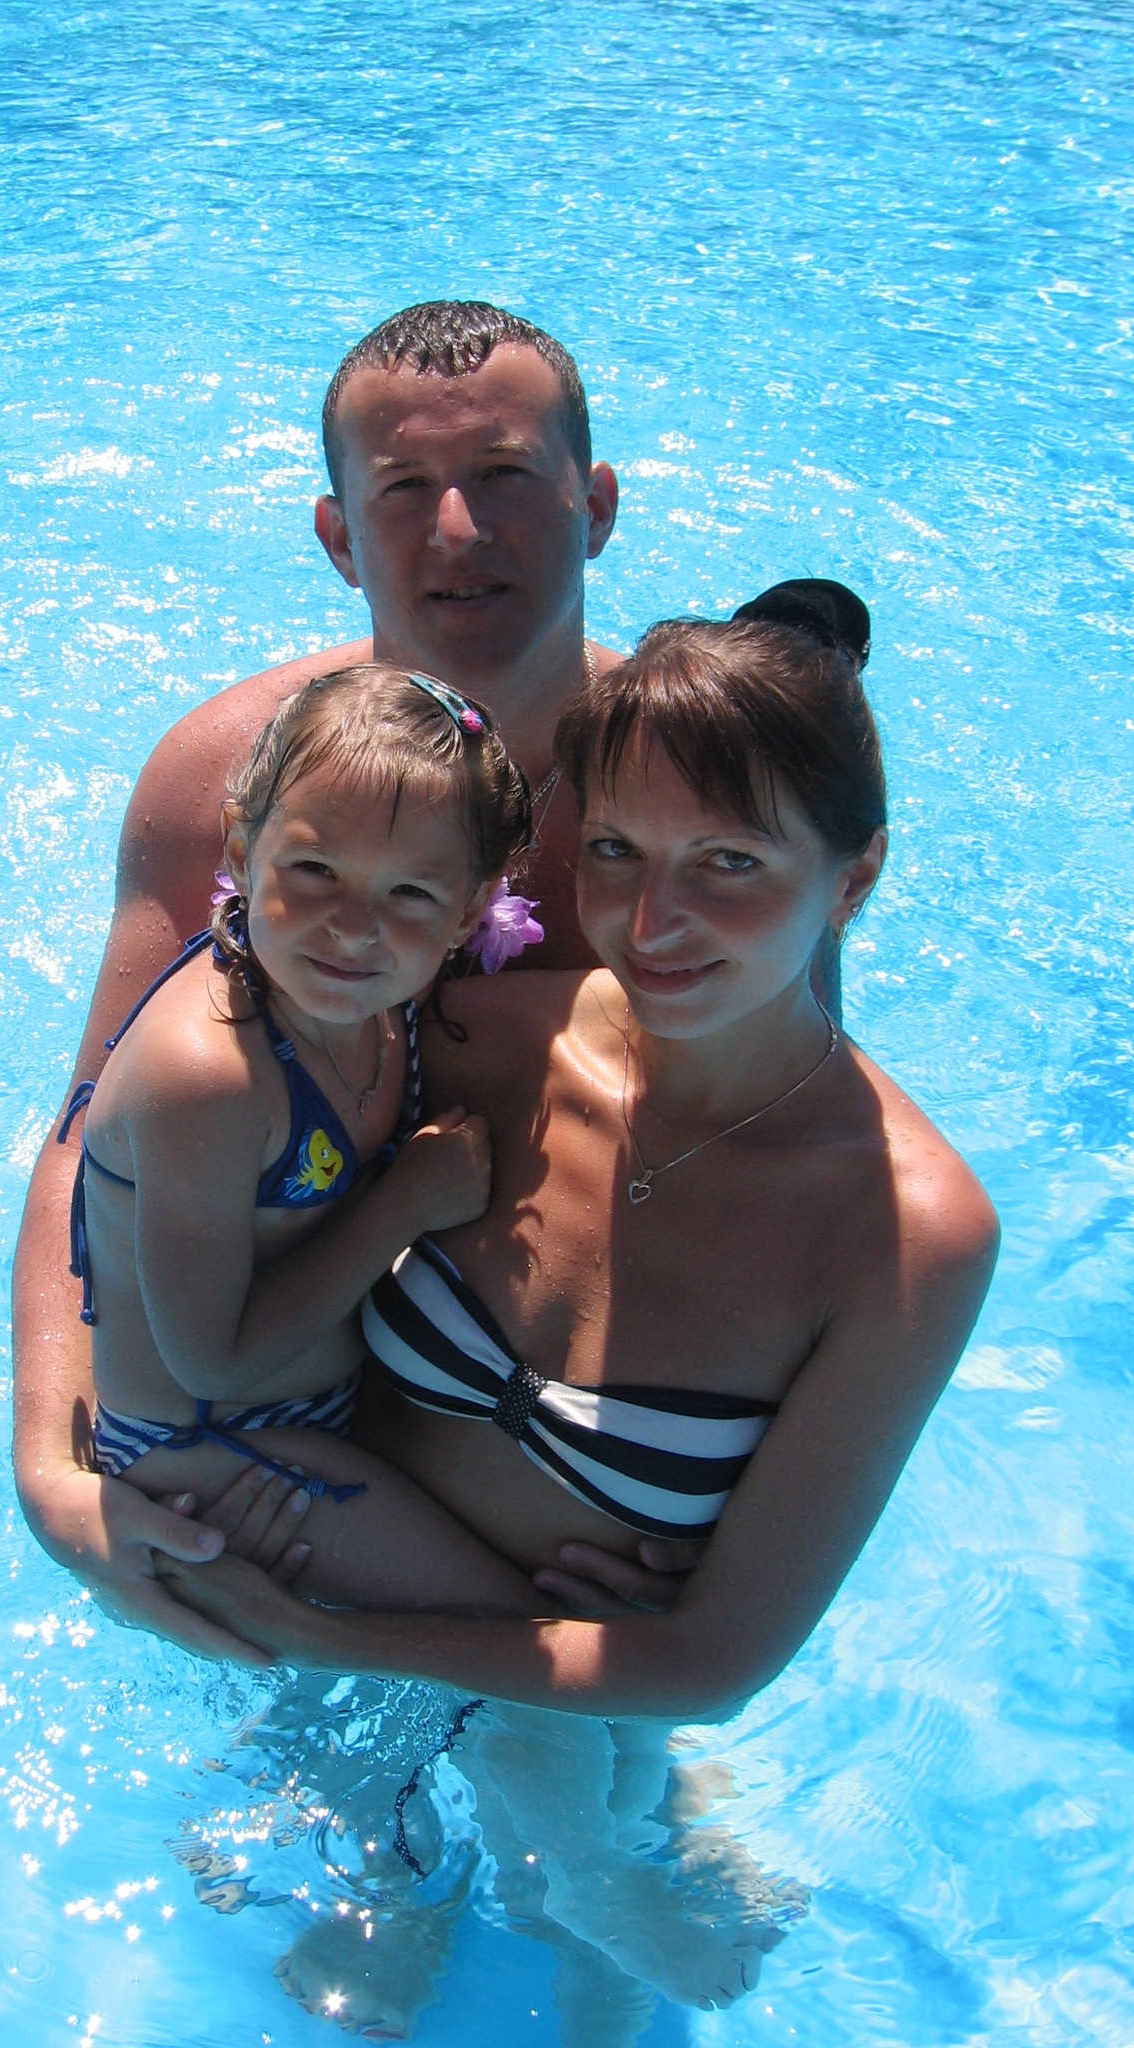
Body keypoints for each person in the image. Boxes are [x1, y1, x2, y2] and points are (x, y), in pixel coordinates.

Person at [154, 597, 1001, 1719]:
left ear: (853, 879)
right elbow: (152, 1159)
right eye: (616, 850)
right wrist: (77, 1492)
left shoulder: (906, 1231)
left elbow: (713, 1667)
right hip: (289, 1621)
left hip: (551, 1703)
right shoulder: (472, 1043)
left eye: (729, 861)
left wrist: (326, 1637)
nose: (653, 922)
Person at [12, 300, 626, 1652]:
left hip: (526, 1458)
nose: (457, 529)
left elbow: (769, 1136)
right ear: (339, 537)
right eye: (404, 488)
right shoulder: (222, 778)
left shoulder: (688, 801)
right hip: (269, 1414)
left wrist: (691, 1511)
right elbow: (90, 1137)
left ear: (595, 507)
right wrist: (51, 1473)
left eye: (505, 474)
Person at [60, 660, 544, 1612]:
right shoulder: (209, 1078)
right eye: (315, 871)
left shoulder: (369, 1000)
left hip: (324, 1402)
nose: (354, 928)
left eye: (410, 894)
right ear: (243, 847)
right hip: (205, 1454)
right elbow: (213, 1356)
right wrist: (405, 1203)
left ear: (469, 909)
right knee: (516, 1632)